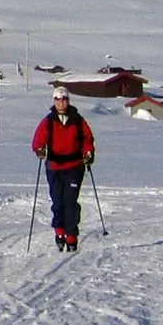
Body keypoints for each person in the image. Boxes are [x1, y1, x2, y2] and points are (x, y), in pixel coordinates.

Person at [30, 86, 95, 252]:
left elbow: (87, 138)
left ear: (68, 100)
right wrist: (40, 150)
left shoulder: (78, 120)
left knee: (70, 203)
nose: (61, 102)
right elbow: (38, 140)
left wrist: (88, 152)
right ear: (54, 101)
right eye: (58, 99)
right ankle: (59, 232)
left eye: (64, 99)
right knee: (58, 202)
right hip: (54, 167)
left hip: (74, 166)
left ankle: (72, 236)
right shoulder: (48, 122)